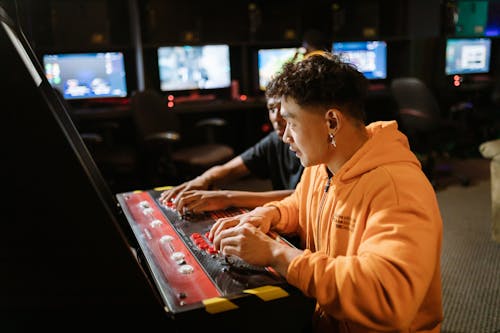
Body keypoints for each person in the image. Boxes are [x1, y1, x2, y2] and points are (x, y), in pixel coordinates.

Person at [209, 53, 443, 333]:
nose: (285, 137)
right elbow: (301, 204)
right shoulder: (322, 166)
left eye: (292, 123)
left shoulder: (398, 188)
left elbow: (386, 297)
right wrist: (268, 214)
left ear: (331, 122)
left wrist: (275, 253)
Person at [159, 94, 304, 214]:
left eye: (284, 111)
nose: (277, 118)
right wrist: (203, 180)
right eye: (272, 109)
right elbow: (231, 169)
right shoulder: (275, 140)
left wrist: (227, 197)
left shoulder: (314, 150)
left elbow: (303, 198)